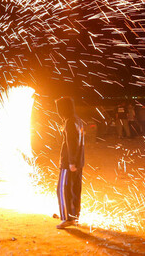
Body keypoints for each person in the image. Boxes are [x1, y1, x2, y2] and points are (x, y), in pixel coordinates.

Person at [55, 97, 85, 229]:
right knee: (74, 190)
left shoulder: (69, 122)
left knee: (63, 190)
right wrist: (77, 161)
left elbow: (72, 143)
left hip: (69, 163)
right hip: (78, 162)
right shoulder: (78, 120)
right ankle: (74, 217)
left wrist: (71, 162)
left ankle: (67, 218)